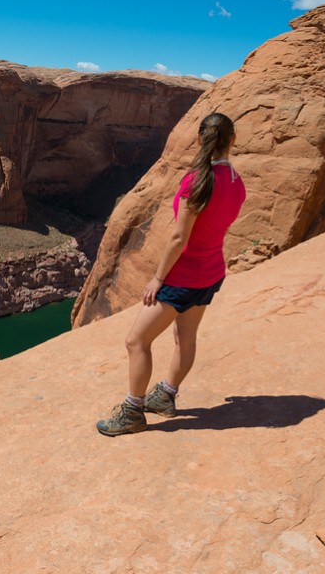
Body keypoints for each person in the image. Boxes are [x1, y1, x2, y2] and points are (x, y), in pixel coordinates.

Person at [97, 112, 246, 436]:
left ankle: (133, 411)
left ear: (198, 140)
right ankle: (166, 395)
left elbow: (179, 238)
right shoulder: (236, 181)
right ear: (232, 141)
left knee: (136, 341)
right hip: (211, 273)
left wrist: (158, 278)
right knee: (186, 337)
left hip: (182, 278)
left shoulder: (196, 181)